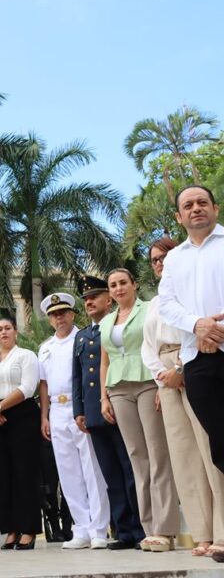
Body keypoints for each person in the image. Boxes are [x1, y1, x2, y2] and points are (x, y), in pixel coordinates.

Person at [144, 235, 224, 558]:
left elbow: (199, 328)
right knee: (184, 457)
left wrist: (179, 369)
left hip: (193, 362)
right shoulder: (155, 303)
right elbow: (148, 346)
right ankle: (202, 533)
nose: (160, 263)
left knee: (210, 449)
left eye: (164, 256)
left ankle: (222, 530)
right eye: (154, 260)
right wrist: (161, 375)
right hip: (165, 376)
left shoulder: (191, 293)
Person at [100, 268, 180, 553]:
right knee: (137, 457)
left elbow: (156, 346)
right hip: (118, 388)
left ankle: (165, 529)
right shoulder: (106, 321)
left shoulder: (149, 309)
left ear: (134, 284)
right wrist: (103, 397)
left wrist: (161, 386)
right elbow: (105, 361)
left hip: (147, 381)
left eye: (123, 282)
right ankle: (149, 529)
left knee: (158, 455)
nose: (118, 288)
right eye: (113, 285)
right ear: (109, 292)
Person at [73, 275, 145, 550]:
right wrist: (79, 410)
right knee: (111, 475)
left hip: (118, 402)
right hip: (94, 411)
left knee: (130, 469)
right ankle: (123, 530)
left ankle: (141, 529)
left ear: (108, 299)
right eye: (86, 299)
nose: (89, 302)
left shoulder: (117, 326)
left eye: (95, 296)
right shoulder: (82, 335)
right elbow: (78, 376)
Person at [38, 293, 109, 550]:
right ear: (49, 319)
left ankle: (99, 529)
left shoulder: (83, 338)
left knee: (92, 470)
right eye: (54, 314)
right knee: (68, 473)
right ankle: (81, 528)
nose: (59, 318)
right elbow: (43, 384)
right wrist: (44, 415)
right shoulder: (45, 347)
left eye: (63, 313)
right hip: (56, 409)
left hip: (80, 406)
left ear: (72, 314)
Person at [0, 317, 42, 550]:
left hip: (20, 414)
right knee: (0, 475)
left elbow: (28, 387)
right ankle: (11, 529)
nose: (3, 332)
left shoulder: (26, 356)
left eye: (7, 328)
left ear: (16, 332)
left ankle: (29, 529)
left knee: (24, 473)